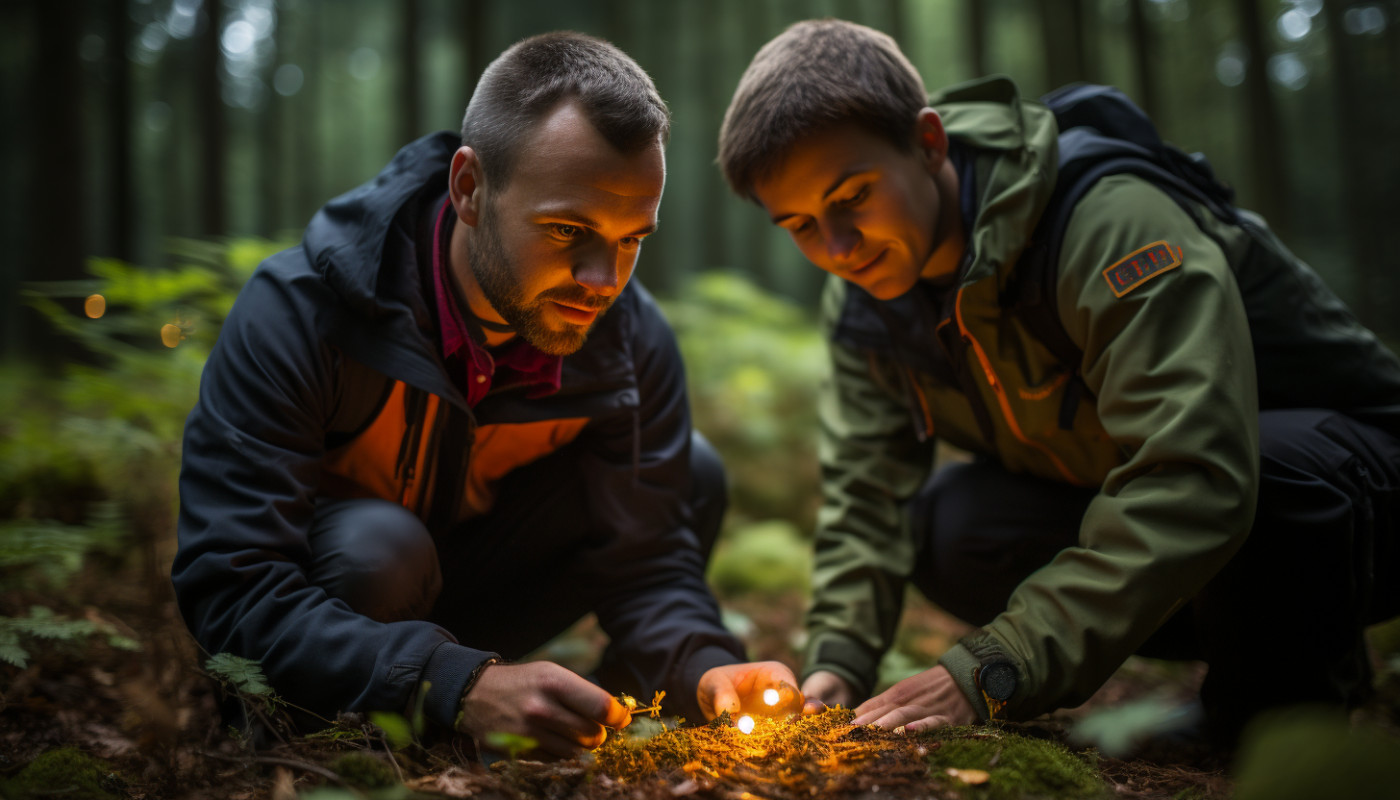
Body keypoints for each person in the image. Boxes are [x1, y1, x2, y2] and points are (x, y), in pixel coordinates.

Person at [718, 18, 1400, 744]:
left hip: (1361, 500)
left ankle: (1281, 712)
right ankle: (1286, 640)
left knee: (1266, 469)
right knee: (953, 528)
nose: (839, 247)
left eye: (852, 196)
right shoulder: (866, 298)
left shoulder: (1105, 221)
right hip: (1193, 510)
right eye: (800, 225)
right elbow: (867, 496)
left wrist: (994, 667)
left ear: (928, 142)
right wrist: (838, 666)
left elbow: (1196, 471)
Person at [172, 31, 797, 759]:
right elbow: (232, 585)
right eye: (569, 229)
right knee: (381, 550)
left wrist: (706, 666)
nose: (603, 280)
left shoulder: (629, 340)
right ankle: (324, 747)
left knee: (694, 472)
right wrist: (452, 682)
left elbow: (648, 561)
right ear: (469, 188)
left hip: (471, 624)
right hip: (334, 628)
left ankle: (595, 718)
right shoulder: (306, 314)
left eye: (632, 239)